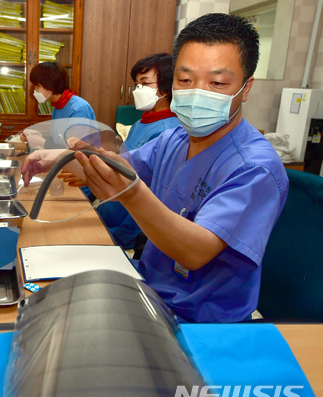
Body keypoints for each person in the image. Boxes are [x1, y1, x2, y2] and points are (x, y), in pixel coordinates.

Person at [21, 13, 289, 323]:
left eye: (217, 82)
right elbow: (120, 169)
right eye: (185, 80)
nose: (198, 92)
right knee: (38, 298)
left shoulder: (256, 168)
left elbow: (195, 251)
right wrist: (60, 157)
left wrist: (132, 195)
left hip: (200, 319)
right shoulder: (174, 138)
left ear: (245, 87)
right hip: (149, 289)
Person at [95, 53, 182, 249]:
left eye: (144, 83)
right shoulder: (140, 123)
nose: (137, 90)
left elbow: (150, 192)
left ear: (166, 87)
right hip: (111, 210)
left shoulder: (168, 131)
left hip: (129, 226)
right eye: (136, 84)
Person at [21, 61, 96, 149]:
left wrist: (41, 142)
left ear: (51, 85)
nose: (35, 91)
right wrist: (38, 136)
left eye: (38, 87)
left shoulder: (79, 109)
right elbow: (59, 141)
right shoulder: (58, 107)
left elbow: (74, 150)